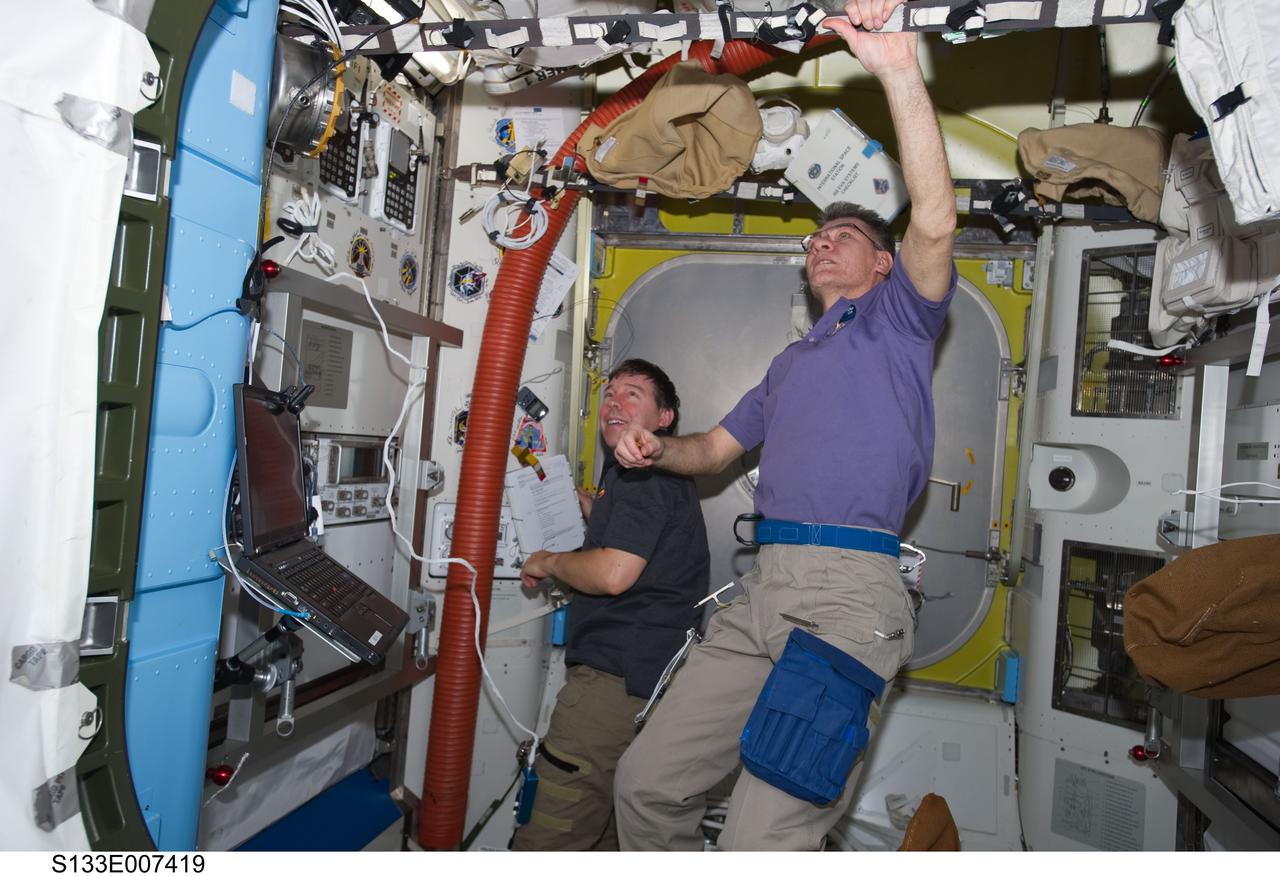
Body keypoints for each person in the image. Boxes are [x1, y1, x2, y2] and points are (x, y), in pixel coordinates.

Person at [610, 0, 958, 851]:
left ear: (884, 265)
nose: (820, 245)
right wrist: (655, 449)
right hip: (761, 589)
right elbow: (711, 453)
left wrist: (899, 73)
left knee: (759, 840)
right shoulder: (789, 366)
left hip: (848, 595)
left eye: (843, 236)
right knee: (645, 785)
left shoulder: (899, 323)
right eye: (813, 240)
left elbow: (936, 219)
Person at [511, 359, 710, 850]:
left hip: (611, 684)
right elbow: (644, 541)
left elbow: (614, 574)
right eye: (610, 394)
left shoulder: (642, 475)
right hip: (646, 680)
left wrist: (548, 562)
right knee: (609, 834)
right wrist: (594, 507)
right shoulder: (649, 476)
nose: (614, 403)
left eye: (633, 394)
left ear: (664, 419)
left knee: (553, 832)